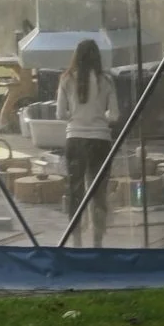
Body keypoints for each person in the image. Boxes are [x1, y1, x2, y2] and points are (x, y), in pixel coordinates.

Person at [58, 36, 120, 243]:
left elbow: (60, 114)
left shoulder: (66, 79)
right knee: (98, 193)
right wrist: (100, 117)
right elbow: (115, 116)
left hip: (74, 140)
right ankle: (97, 242)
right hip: (100, 141)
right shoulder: (107, 80)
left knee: (75, 191)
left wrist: (76, 117)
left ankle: (76, 241)